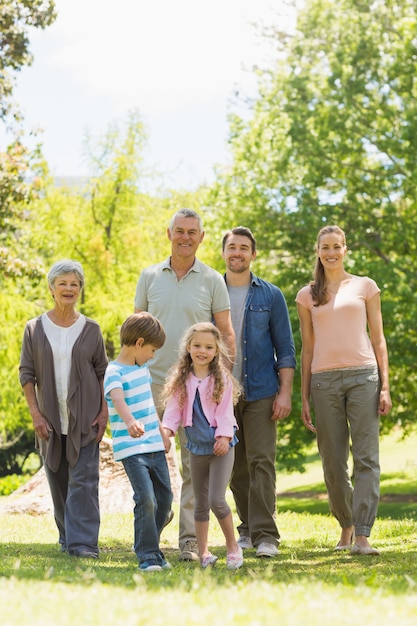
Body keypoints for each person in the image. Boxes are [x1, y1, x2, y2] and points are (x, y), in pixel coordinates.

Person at [134, 208, 235, 561]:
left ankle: (190, 540)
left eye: (192, 232)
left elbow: (225, 334)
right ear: (169, 233)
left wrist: (225, 383)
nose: (186, 237)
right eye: (180, 230)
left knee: (195, 467)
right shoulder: (149, 276)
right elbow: (136, 334)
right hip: (150, 385)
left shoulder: (212, 280)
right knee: (148, 461)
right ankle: (152, 530)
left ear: (202, 237)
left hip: (197, 390)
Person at [296, 225, 392, 555]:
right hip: (323, 381)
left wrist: (385, 387)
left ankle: (362, 535)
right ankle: (346, 525)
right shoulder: (307, 295)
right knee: (333, 462)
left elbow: (378, 340)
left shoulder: (365, 287)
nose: (331, 252)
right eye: (325, 247)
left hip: (364, 377)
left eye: (337, 246)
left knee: (366, 457)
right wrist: (304, 395)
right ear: (318, 250)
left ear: (345, 249)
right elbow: (307, 349)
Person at [19, 259, 108, 558]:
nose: (69, 288)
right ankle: (67, 535)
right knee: (57, 480)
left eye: (74, 283)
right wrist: (36, 414)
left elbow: (103, 373)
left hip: (85, 419)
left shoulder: (92, 329)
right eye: (63, 283)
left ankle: (83, 545)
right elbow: (26, 374)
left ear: (80, 289)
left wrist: (104, 412)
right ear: (52, 288)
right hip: (49, 420)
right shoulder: (34, 329)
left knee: (84, 481)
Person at [222, 227, 296, 558]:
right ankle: (248, 528)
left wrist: (285, 393)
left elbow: (286, 348)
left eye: (244, 248)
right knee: (234, 466)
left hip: (262, 390)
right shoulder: (212, 291)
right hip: (221, 394)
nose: (237, 252)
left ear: (254, 254)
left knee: (261, 461)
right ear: (223, 252)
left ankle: (267, 535)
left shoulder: (271, 295)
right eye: (232, 247)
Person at [162, 322, 243, 569]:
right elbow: (174, 411)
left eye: (208, 347)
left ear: (216, 351)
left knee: (217, 499)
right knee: (199, 502)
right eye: (197, 345)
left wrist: (224, 437)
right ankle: (205, 552)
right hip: (196, 447)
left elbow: (226, 412)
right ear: (188, 347)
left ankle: (233, 547)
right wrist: (167, 431)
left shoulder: (222, 381)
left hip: (221, 448)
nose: (202, 351)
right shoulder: (181, 380)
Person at [103, 312, 173, 572]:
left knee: (164, 499)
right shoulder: (113, 371)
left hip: (154, 444)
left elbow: (150, 405)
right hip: (132, 448)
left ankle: (147, 544)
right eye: (152, 350)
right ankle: (147, 556)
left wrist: (162, 432)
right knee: (146, 498)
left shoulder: (142, 369)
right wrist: (130, 421)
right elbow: (118, 399)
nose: (152, 356)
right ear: (140, 343)